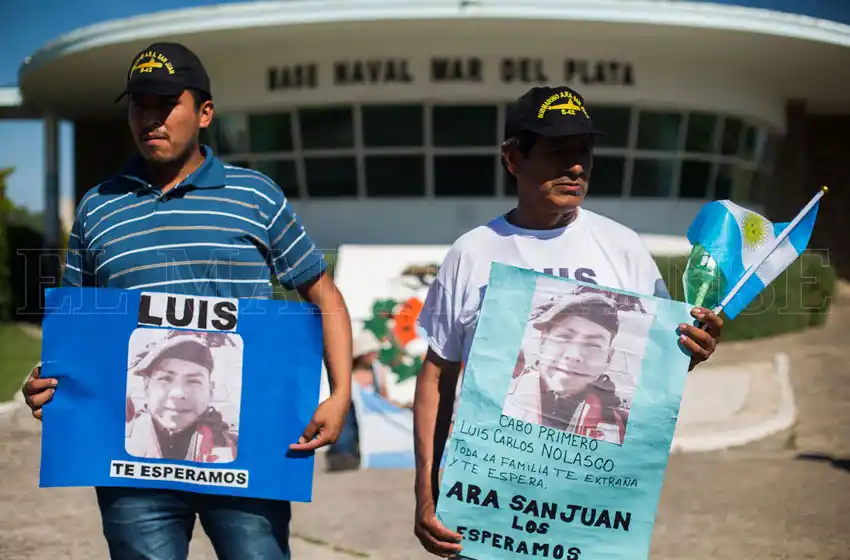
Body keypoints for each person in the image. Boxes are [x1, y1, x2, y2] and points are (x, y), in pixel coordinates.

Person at [20, 42, 353, 559]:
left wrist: (340, 393)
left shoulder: (256, 196)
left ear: (204, 113)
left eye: (165, 104)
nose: (150, 118)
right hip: (129, 467)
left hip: (248, 456)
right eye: (139, 105)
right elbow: (79, 325)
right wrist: (46, 380)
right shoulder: (97, 206)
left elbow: (323, 292)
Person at [410, 85, 724, 558]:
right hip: (487, 517)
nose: (575, 167)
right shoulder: (472, 252)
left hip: (587, 521)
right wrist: (425, 488)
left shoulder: (623, 247)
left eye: (584, 152)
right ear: (512, 159)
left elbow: (655, 370)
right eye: (558, 153)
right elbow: (436, 376)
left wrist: (692, 350)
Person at [503, 287, 642, 445]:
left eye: (593, 345)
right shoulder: (498, 396)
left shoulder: (625, 428)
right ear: (543, 341)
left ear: (608, 358)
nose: (575, 355)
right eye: (564, 337)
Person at [125, 331, 239, 463]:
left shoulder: (236, 449)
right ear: (146, 385)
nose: (178, 394)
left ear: (210, 390)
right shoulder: (119, 438)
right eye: (166, 379)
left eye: (194, 381)